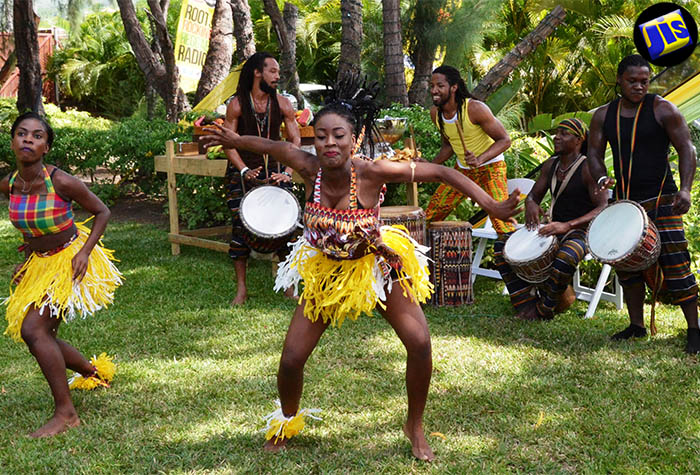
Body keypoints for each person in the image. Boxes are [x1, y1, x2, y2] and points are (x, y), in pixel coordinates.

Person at [202, 76, 520, 461]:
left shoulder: (372, 171)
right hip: (328, 272)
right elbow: (271, 145)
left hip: (375, 264)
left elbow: (442, 173)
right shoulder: (307, 166)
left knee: (419, 343)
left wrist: (494, 206)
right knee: (291, 359)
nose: (329, 143)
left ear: (354, 139)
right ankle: (286, 419)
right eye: (320, 136)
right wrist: (234, 142)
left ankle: (415, 425)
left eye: (338, 136)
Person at [1, 112, 122, 437]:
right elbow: (30, 224)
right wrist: (28, 255)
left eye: (37, 136)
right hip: (41, 263)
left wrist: (84, 253)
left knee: (34, 330)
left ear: (46, 148)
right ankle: (91, 371)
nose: (28, 139)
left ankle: (66, 414)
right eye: (22, 134)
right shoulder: (10, 183)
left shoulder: (61, 181)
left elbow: (102, 211)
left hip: (70, 259)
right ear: (12, 141)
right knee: (42, 335)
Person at [587, 54, 699, 354]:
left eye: (644, 81)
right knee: (626, 264)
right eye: (632, 81)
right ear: (619, 82)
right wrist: (601, 178)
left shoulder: (663, 108)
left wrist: (686, 190)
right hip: (626, 201)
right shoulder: (602, 115)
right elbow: (594, 154)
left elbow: (687, 149)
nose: (639, 86)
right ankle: (636, 326)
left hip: (664, 199)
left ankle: (694, 330)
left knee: (676, 261)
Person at [494, 118, 608, 320]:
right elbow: (534, 195)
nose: (557, 137)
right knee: (500, 246)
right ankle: (524, 303)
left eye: (564, 134)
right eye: (557, 132)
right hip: (552, 227)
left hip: (582, 231)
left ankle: (544, 309)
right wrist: (531, 203)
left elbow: (603, 207)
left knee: (566, 257)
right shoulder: (551, 165)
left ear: (579, 140)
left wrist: (567, 225)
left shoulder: (589, 168)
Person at [223, 51, 301, 305]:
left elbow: (295, 140)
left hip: (276, 172)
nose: (278, 76)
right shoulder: (236, 104)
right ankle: (241, 290)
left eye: (278, 72)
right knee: (239, 231)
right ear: (258, 72)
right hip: (242, 174)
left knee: (287, 229)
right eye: (273, 71)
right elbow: (228, 143)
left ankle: (288, 286)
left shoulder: (283, 104)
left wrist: (287, 173)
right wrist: (244, 170)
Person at [425, 65, 515, 234]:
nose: (434, 90)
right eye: (432, 86)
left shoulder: (475, 109)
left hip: (491, 168)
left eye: (440, 86)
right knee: (430, 216)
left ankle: (509, 258)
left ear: (454, 87)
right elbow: (449, 146)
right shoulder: (435, 114)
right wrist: (429, 165)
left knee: (501, 222)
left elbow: (505, 140)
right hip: (462, 171)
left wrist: (479, 159)